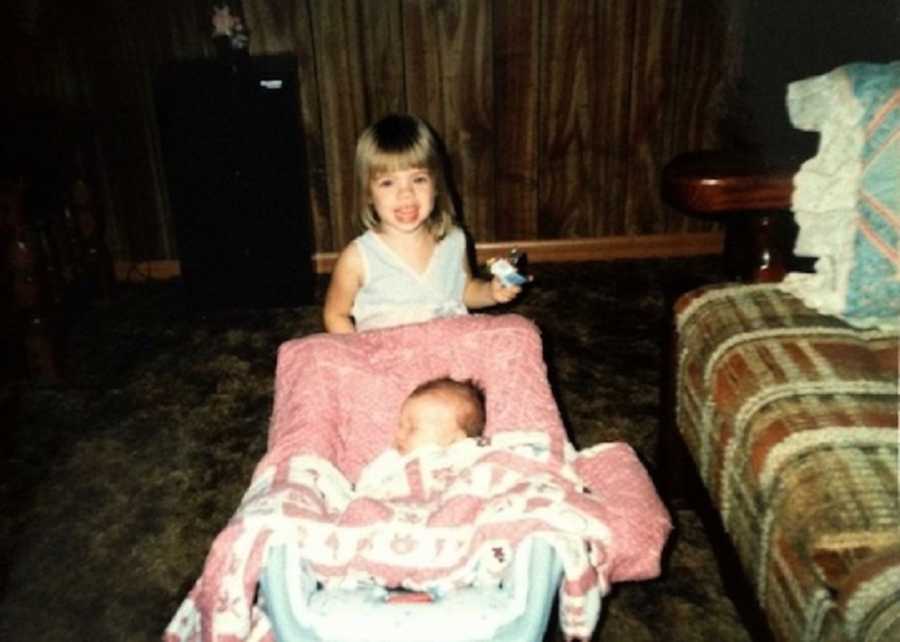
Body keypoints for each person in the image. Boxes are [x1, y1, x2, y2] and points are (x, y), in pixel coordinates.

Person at [323, 113, 524, 333]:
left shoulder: (454, 240)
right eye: (388, 183)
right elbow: (336, 314)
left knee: (519, 333)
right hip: (388, 358)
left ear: (436, 184)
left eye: (418, 179)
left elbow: (464, 291)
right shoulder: (357, 258)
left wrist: (490, 292)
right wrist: (360, 358)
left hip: (449, 349)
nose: (406, 194)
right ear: (368, 193)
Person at [356, 377, 486, 492]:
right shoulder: (391, 461)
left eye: (412, 428)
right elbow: (365, 488)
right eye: (400, 426)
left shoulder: (471, 458)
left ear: (457, 440)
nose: (399, 435)